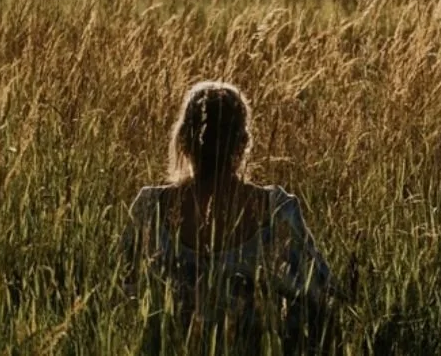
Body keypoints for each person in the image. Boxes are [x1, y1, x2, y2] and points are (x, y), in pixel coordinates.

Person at [123, 81, 334, 354]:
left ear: (183, 140)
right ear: (243, 143)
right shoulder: (276, 209)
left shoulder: (150, 208)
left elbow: (121, 293)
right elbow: (321, 295)